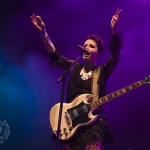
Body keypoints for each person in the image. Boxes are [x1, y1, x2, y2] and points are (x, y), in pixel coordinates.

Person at [31, 9, 122, 150]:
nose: (86, 47)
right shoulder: (74, 67)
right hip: (70, 123)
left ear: (98, 53)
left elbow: (115, 56)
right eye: (85, 45)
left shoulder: (102, 71)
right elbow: (55, 56)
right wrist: (43, 32)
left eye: (91, 46)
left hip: (91, 125)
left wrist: (114, 30)